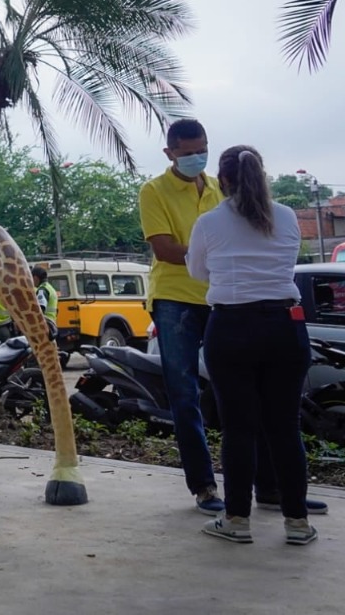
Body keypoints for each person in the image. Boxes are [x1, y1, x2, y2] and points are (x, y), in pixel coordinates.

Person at [187, 146, 320, 545]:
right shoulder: (287, 216)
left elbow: (197, 272)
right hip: (285, 326)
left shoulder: (209, 222)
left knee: (239, 428)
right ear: (262, 176)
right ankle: (297, 522)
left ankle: (237, 521)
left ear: (222, 181)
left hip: (231, 327)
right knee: (285, 427)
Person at [139, 117, 224, 514]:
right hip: (174, 301)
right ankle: (204, 486)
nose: (196, 158)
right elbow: (165, 250)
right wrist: (220, 255)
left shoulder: (221, 189)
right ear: (169, 153)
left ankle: (271, 485)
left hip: (222, 298)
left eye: (201, 150)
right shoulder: (154, 191)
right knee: (185, 394)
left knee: (240, 392)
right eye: (187, 153)